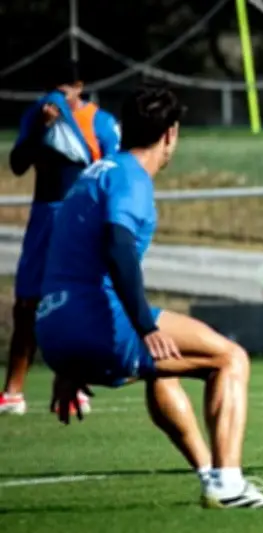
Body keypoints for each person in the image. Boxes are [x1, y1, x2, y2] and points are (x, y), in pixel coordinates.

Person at [35, 83, 263, 509]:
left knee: (164, 367)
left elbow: (66, 254)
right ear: (171, 133)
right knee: (230, 359)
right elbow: (117, 245)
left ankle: (209, 472)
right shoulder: (132, 178)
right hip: (96, 320)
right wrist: (145, 324)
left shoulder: (94, 173)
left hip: (55, 326)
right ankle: (228, 484)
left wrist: (66, 362)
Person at [1, 60, 120, 416]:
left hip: (82, 217)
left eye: (64, 88)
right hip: (44, 215)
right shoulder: (36, 116)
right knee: (27, 304)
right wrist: (40, 129)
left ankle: (77, 382)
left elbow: (114, 171)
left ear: (79, 86)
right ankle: (13, 392)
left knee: (77, 298)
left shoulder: (101, 122)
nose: (57, 95)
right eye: (52, 87)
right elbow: (18, 163)